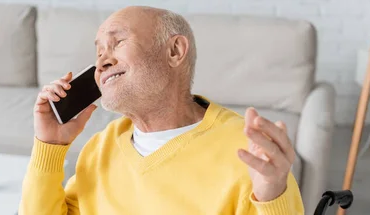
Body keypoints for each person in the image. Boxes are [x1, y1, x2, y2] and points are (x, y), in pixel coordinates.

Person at [20, 6, 304, 215]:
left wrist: (271, 194)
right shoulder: (99, 148)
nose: (103, 62)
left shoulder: (249, 153)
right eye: (98, 53)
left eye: (118, 43)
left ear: (175, 51)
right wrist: (50, 146)